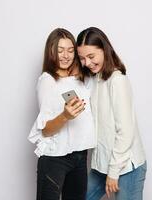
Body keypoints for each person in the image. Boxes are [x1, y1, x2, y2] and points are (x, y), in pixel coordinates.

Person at [76, 27, 147, 200]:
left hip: (125, 167)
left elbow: (125, 132)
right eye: (82, 58)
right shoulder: (95, 79)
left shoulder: (117, 81)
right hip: (102, 165)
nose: (87, 63)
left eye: (91, 56)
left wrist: (114, 172)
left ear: (105, 50)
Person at [28, 28, 96, 200]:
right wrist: (65, 116)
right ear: (51, 52)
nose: (66, 56)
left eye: (70, 50)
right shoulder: (47, 81)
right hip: (54, 160)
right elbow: (45, 130)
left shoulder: (80, 77)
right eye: (60, 50)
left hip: (80, 157)